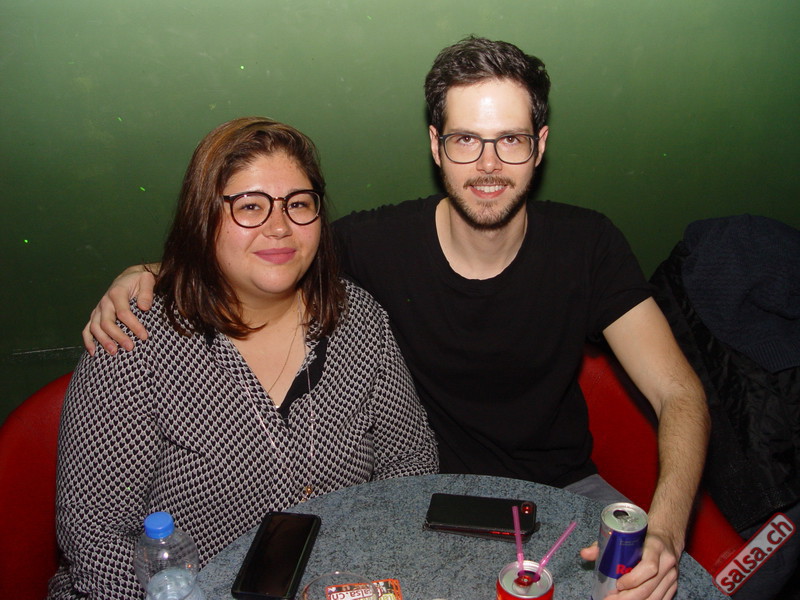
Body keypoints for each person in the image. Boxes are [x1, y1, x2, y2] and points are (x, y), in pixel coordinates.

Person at [83, 38, 710, 600]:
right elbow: (267, 248)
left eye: (511, 140)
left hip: (562, 494)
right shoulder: (372, 246)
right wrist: (154, 272)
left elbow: (679, 393)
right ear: (437, 145)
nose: (488, 165)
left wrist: (666, 531)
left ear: (539, 145)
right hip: (433, 505)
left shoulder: (588, 244)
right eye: (466, 139)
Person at [50, 117, 438, 599]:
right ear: (204, 218)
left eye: (298, 204)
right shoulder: (135, 342)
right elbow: (96, 540)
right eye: (250, 206)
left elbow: (410, 460)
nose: (280, 227)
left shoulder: (356, 319)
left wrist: (375, 566)